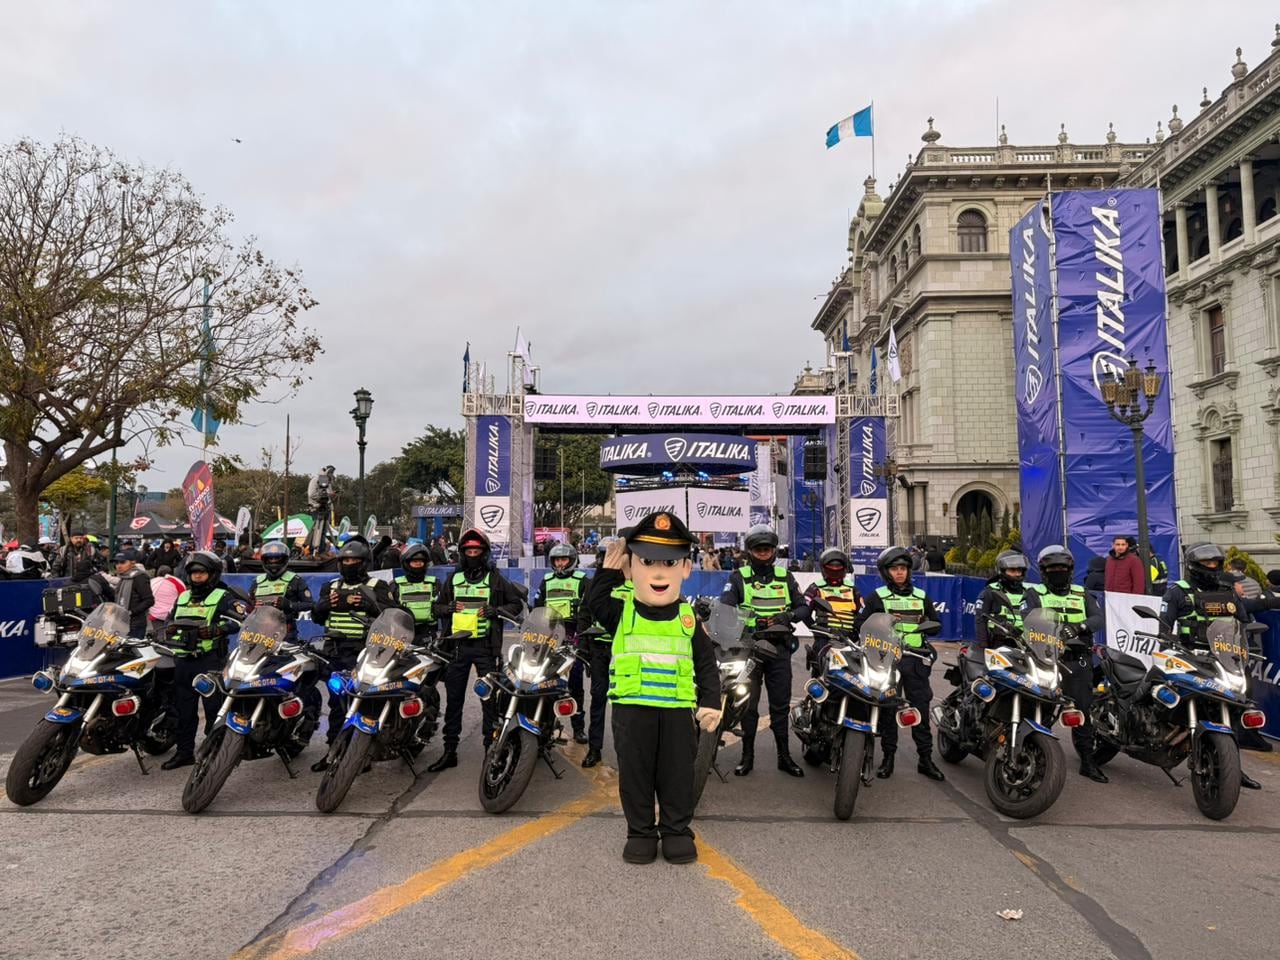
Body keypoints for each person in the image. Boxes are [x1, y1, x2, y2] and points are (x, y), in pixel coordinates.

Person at [584, 511, 719, 864]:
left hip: (677, 713)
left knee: (678, 775)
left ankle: (676, 831)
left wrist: (711, 701)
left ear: (685, 568)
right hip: (632, 712)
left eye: (669, 562)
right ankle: (640, 832)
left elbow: (706, 663)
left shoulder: (688, 618)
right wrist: (608, 571)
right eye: (647, 561)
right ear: (631, 568)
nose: (659, 573)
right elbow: (594, 603)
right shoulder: (621, 611)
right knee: (636, 774)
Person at [1159, 542, 1280, 788]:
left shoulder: (1228, 592)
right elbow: (1163, 627)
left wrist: (1247, 641)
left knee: (1234, 713)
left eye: (1215, 562)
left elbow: (1243, 622)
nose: (1212, 567)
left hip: (1227, 660)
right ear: (1194, 566)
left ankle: (1232, 768)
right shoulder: (1178, 592)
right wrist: (1167, 640)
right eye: (1207, 563)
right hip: (1192, 658)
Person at [426, 529, 526, 772]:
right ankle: (450, 751)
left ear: (484, 553)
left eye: (476, 551)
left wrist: (496, 611)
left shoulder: (495, 579)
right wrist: (448, 608)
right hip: (457, 648)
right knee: (454, 701)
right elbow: (436, 608)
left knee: (489, 701)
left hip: (485, 648)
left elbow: (516, 605)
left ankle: (490, 751)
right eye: (469, 551)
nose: (472, 555)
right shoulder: (454, 579)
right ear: (462, 553)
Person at [719, 524, 807, 778]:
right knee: (748, 705)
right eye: (758, 549)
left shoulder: (785, 577)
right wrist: (749, 619)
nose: (763, 553)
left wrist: (787, 616)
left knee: (780, 706)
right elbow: (726, 606)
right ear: (750, 551)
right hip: (750, 648)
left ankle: (784, 757)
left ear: (774, 551)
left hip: (779, 649)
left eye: (767, 549)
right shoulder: (738, 577)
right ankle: (747, 757)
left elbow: (803, 607)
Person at [855, 546, 946, 782]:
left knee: (920, 710)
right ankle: (888, 759)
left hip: (915, 660)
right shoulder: (877, 597)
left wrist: (929, 625)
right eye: (894, 568)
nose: (899, 572)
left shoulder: (921, 597)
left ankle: (925, 759)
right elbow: (861, 624)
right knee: (888, 710)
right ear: (886, 572)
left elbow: (936, 624)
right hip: (887, 661)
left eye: (903, 568)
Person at [309, 538, 398, 771]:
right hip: (335, 652)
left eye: (354, 560)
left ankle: (363, 752)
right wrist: (322, 606)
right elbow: (317, 617)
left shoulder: (377, 585)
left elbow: (394, 615)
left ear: (364, 562)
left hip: (365, 652)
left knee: (364, 703)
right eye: (345, 560)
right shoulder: (330, 587)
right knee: (337, 703)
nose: (349, 564)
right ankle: (333, 750)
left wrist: (370, 605)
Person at [1022, 544, 1108, 783]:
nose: (1057, 572)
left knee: (1082, 711)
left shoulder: (1082, 594)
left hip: (1077, 659)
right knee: (1039, 707)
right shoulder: (1034, 593)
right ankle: (1037, 756)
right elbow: (1026, 618)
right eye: (1052, 569)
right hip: (1046, 659)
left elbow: (1098, 617)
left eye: (1062, 568)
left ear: (1070, 570)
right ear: (1043, 571)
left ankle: (1088, 761)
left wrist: (1079, 627)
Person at [161, 551, 248, 769]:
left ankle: (214, 754)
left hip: (210, 662)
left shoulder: (223, 596)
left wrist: (217, 629)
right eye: (194, 573)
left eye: (202, 572)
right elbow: (170, 619)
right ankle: (184, 753)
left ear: (212, 574)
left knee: (213, 710)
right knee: (184, 711)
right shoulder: (183, 597)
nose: (197, 576)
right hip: (183, 660)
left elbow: (240, 621)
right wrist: (169, 628)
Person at [533, 543, 591, 744]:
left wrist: (582, 640)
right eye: (557, 560)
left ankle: (578, 727)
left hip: (573, 638)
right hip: (550, 638)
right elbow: (536, 608)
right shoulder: (547, 581)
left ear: (572, 560)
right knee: (545, 684)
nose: (560, 563)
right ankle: (545, 726)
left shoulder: (582, 581)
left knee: (575, 685)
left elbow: (589, 611)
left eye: (564, 559)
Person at [580, 539, 625, 768]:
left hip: (624, 655)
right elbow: (584, 614)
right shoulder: (594, 585)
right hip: (598, 650)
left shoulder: (632, 584)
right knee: (597, 700)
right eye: (605, 556)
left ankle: (625, 753)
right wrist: (583, 647)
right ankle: (594, 749)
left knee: (623, 705)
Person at [801, 547, 863, 669]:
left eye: (838, 568)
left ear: (844, 569)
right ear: (824, 569)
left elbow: (862, 612)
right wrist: (815, 629)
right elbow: (803, 609)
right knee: (823, 670)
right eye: (831, 568)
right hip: (825, 640)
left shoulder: (853, 589)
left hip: (849, 640)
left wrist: (858, 632)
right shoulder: (815, 588)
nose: (834, 570)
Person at [250, 541, 314, 636]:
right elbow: (249, 606)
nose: (273, 561)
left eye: (277, 558)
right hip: (261, 633)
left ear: (284, 559)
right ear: (264, 560)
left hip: (285, 632)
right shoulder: (257, 581)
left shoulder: (295, 580)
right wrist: (253, 607)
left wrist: (289, 605)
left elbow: (310, 604)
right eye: (270, 558)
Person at [973, 551, 1029, 650]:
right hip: (999, 645)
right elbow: (980, 621)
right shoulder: (990, 592)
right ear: (1002, 571)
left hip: (1026, 645)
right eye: (1012, 570)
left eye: (1019, 570)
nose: (1017, 574)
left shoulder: (1028, 593)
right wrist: (984, 647)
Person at [394, 542, 440, 641]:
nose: (418, 564)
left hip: (428, 633)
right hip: (403, 633)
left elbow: (443, 605)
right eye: (415, 561)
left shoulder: (434, 583)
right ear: (406, 563)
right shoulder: (396, 584)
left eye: (421, 561)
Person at [112, 548, 155, 638]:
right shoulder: (123, 577)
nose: (118, 566)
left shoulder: (139, 577)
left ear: (133, 563)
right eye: (117, 563)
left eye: (122, 562)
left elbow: (149, 600)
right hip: (121, 623)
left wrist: (131, 612)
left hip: (135, 625)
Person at [148, 564, 185, 640]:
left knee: (159, 634)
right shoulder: (177, 582)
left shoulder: (152, 582)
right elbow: (184, 597)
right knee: (171, 636)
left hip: (155, 614)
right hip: (171, 615)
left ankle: (158, 644)